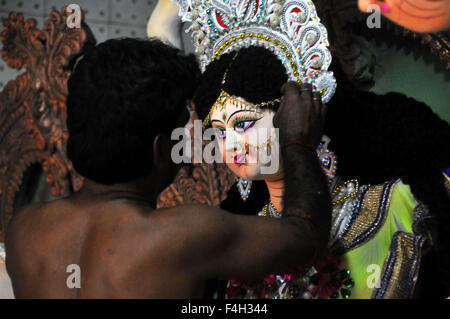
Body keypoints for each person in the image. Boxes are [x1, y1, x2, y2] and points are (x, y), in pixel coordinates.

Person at [162, 0, 450, 298]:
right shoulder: (238, 235)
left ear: (298, 113)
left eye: (244, 124)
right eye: (220, 131)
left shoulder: (394, 204)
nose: (231, 144)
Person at [4, 37, 332, 298]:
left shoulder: (25, 228)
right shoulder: (183, 234)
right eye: (183, 131)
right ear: (161, 149)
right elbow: (305, 236)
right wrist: (297, 142)